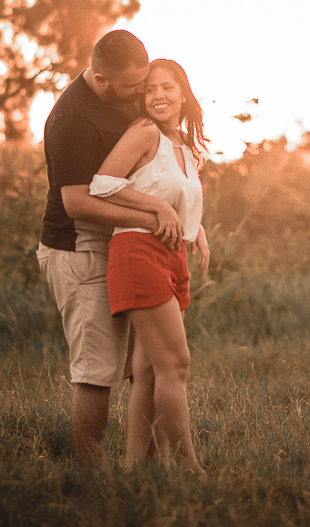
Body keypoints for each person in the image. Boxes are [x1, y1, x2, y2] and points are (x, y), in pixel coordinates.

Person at [36, 31, 183, 462]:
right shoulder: (73, 120)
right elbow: (77, 203)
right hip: (79, 250)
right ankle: (90, 476)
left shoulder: (126, 94)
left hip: (127, 247)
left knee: (148, 365)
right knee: (97, 372)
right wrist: (155, 217)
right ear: (101, 79)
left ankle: (146, 469)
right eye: (132, 87)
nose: (140, 93)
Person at [89, 58, 210, 472]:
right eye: (150, 89)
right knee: (175, 364)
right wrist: (156, 205)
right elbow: (102, 184)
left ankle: (131, 467)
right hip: (138, 251)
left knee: (146, 369)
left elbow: (179, 202)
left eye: (168, 87)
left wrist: (196, 229)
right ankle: (187, 467)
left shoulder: (183, 145)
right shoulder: (144, 132)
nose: (158, 95)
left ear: (183, 94)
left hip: (172, 254)